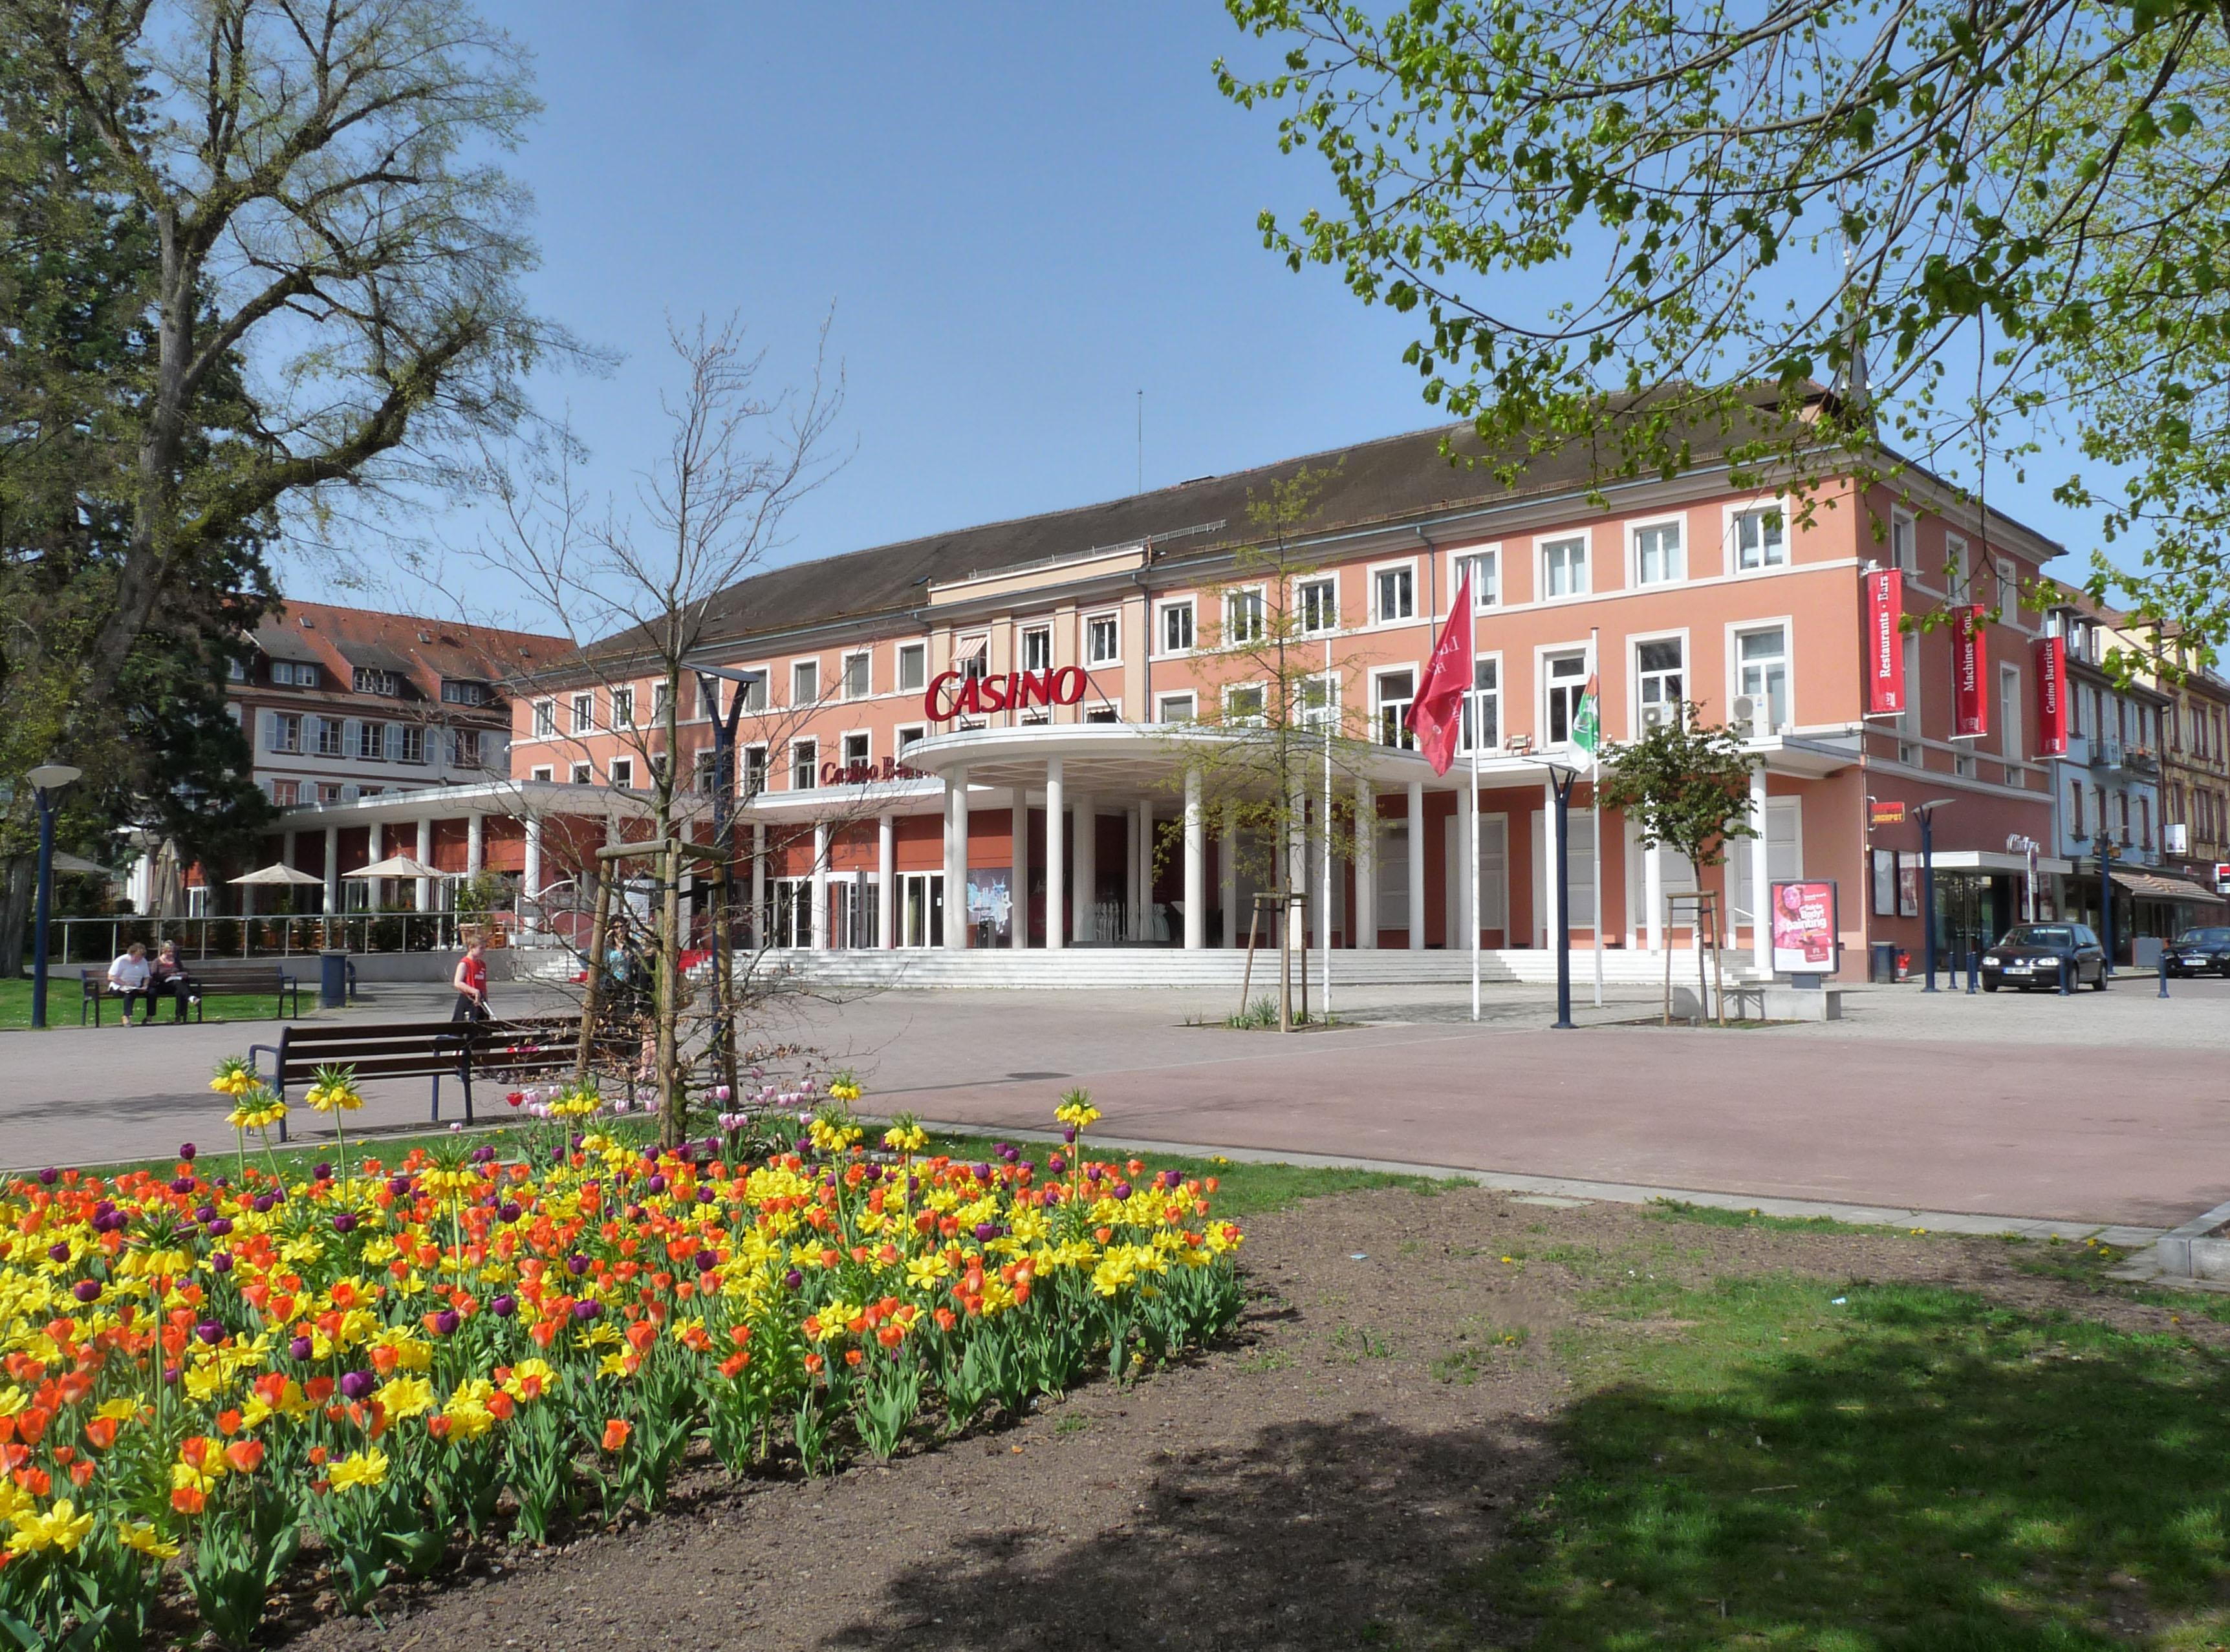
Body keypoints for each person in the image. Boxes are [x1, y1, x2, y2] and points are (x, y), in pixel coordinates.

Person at [147, 939, 195, 1024]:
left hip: (175, 985)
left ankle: (179, 1017)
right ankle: (191, 997)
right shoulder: (157, 961)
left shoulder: (176, 961)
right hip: (162, 985)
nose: (171, 954)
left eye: (173, 952)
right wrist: (168, 976)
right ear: (164, 951)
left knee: (179, 989)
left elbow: (182, 971)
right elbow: (154, 975)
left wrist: (182, 974)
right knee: (178, 984)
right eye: (169, 952)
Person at [106, 942, 153, 1027]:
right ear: (131, 954)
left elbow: (147, 977)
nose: (138, 960)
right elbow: (111, 977)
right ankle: (126, 1016)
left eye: (140, 957)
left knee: (152, 992)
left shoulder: (143, 962)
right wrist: (125, 983)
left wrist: (145, 986)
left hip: (136, 987)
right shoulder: (121, 960)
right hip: (118, 987)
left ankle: (150, 1016)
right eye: (136, 957)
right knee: (130, 993)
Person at [451, 938, 492, 1022]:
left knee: (483, 1027)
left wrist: (486, 1000)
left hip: (481, 1000)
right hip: (468, 999)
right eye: (481, 948)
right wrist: (474, 991)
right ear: (471, 948)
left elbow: (483, 985)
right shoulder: (464, 963)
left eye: (485, 948)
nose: (484, 951)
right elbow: (458, 983)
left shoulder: (482, 964)